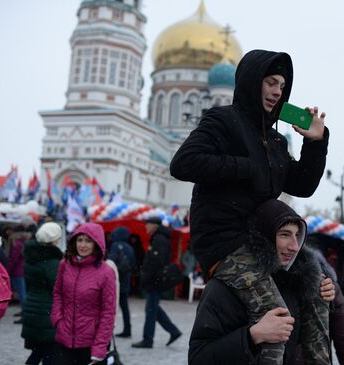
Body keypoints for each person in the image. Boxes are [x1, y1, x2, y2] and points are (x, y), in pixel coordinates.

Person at [170, 49, 329, 363]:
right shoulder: (223, 120)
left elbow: (303, 185)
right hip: (225, 242)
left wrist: (315, 143)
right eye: (270, 82)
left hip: (259, 242)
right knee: (276, 318)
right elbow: (183, 163)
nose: (276, 91)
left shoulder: (276, 141)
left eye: (282, 86)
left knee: (318, 293)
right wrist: (245, 167)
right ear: (252, 81)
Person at [188, 199, 332, 364]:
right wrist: (252, 336)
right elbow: (198, 358)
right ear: (264, 237)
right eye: (284, 234)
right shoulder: (222, 288)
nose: (294, 246)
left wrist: (325, 296)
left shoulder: (296, 284)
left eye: (297, 236)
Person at [50, 222, 116, 364]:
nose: (83, 245)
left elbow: (108, 313)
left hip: (90, 344)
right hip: (63, 340)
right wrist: (57, 320)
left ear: (97, 244)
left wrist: (99, 348)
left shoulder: (106, 272)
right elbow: (58, 293)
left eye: (88, 241)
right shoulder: (65, 264)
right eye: (80, 240)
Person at [132, 217, 182, 348]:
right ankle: (174, 331)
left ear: (154, 225)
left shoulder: (159, 240)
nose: (145, 227)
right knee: (154, 309)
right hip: (154, 280)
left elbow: (155, 262)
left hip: (155, 281)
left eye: (147, 224)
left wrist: (146, 277)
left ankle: (148, 339)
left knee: (150, 310)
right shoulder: (158, 238)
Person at [21, 222, 64, 365]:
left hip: (33, 307)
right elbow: (57, 287)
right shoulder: (51, 261)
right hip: (46, 309)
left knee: (38, 350)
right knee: (48, 352)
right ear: (54, 239)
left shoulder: (32, 256)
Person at [108, 226, 135, 338]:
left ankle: (108, 330)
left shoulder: (115, 246)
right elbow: (133, 264)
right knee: (125, 308)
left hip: (115, 281)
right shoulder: (130, 247)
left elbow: (111, 263)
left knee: (110, 307)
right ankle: (127, 329)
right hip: (126, 280)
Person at [7, 224, 29, 323]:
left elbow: (13, 259)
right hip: (22, 270)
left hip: (17, 271)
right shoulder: (24, 241)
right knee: (22, 293)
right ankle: (24, 312)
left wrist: (8, 270)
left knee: (21, 293)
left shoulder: (16, 242)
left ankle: (25, 315)